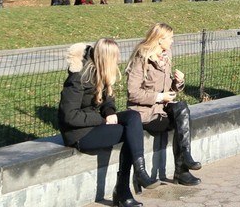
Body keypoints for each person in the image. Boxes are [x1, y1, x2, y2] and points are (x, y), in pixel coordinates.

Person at [58, 39, 159, 207]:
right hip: (79, 134)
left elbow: (107, 102)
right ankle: (123, 190)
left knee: (133, 117)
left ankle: (140, 171)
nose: (119, 60)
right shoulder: (78, 77)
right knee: (130, 133)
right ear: (106, 58)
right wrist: (102, 119)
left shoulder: (101, 71)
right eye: (116, 56)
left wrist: (110, 112)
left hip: (96, 124)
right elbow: (69, 116)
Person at [125, 23, 202, 185]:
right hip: (146, 114)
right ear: (160, 40)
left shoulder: (166, 56)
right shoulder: (141, 58)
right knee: (182, 117)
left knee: (182, 108)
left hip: (162, 110)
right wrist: (160, 97)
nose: (172, 41)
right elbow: (133, 92)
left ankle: (184, 161)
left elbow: (168, 89)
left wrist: (178, 83)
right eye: (170, 38)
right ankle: (182, 168)